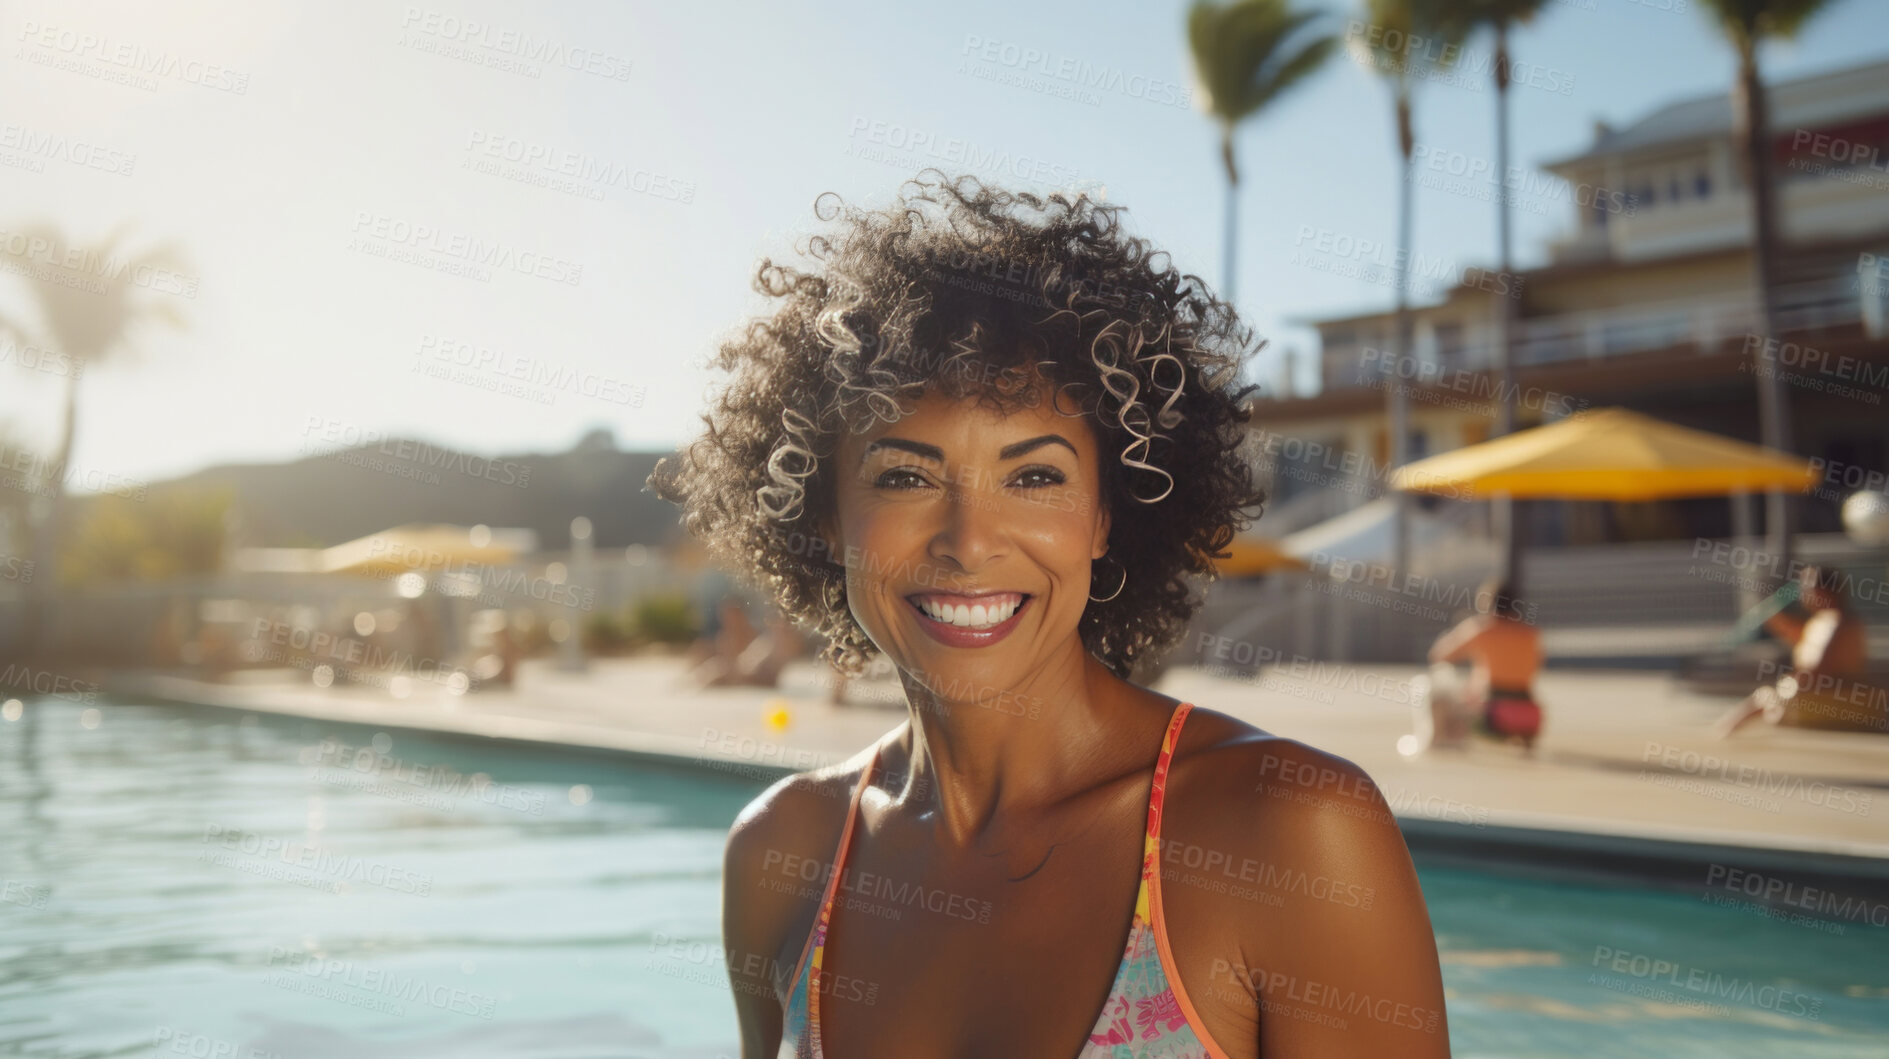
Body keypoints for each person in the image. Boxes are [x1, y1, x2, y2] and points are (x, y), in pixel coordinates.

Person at [649, 173, 1448, 1056]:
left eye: (1034, 476)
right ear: (826, 516)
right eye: (905, 476)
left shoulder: (1287, 829)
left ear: (1108, 514)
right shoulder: (781, 852)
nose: (968, 539)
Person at [1714, 565, 1882, 736]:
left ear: (1822, 591)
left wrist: (1788, 685)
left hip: (1828, 698)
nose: (1803, 593)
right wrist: (1772, 615)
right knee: (1766, 698)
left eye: (1806, 587)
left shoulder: (1836, 622)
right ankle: (1723, 731)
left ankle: (1722, 734)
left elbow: (1818, 671)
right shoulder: (1825, 621)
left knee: (1764, 697)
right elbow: (1799, 638)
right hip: (1824, 695)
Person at [1426, 578, 1544, 751]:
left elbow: (1438, 655)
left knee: (1437, 696)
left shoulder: (1481, 629)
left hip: (1494, 720)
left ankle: (1439, 744)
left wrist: (1462, 629)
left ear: (1487, 602)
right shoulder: (1531, 633)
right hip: (1530, 719)